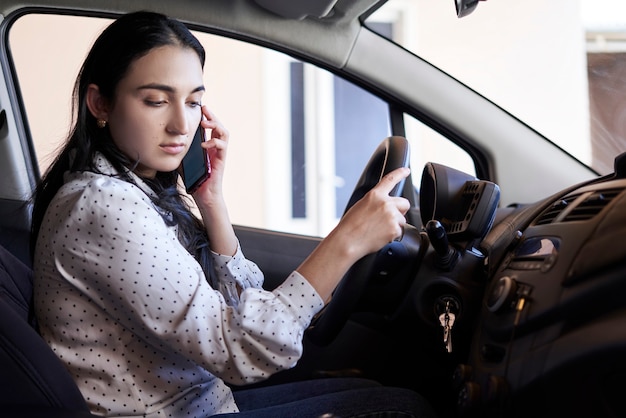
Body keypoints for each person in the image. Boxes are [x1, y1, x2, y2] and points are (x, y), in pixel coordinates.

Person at [30, 10, 435, 418]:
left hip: (202, 401)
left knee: (368, 391)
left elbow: (238, 306)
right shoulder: (104, 207)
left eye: (193, 102)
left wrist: (212, 202)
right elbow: (241, 349)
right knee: (401, 409)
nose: (180, 124)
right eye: (156, 100)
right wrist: (346, 241)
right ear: (100, 103)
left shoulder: (134, 192)